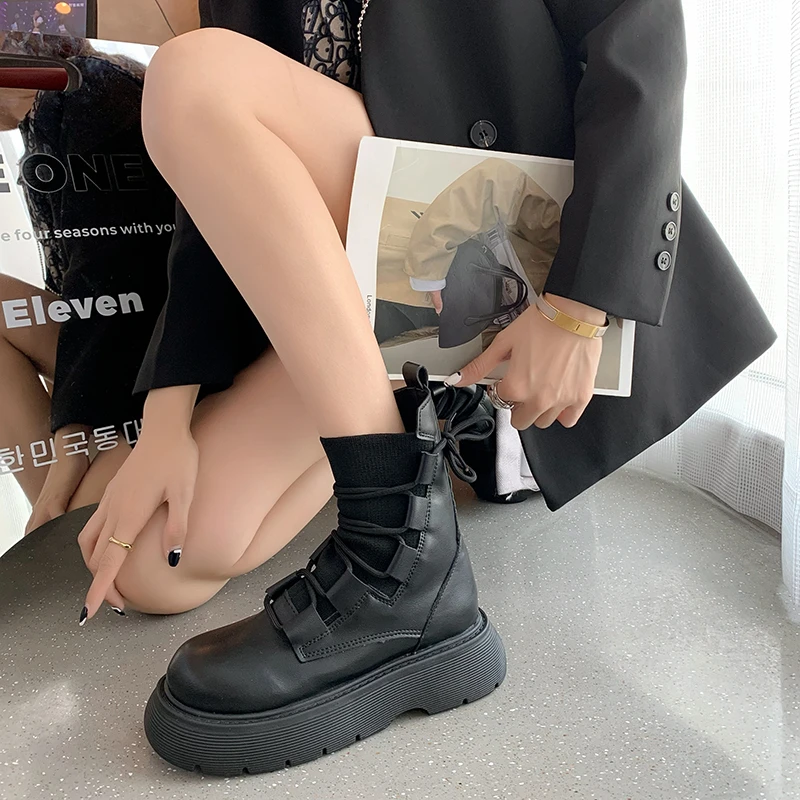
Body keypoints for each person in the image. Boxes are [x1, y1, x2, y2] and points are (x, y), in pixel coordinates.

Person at [79, 0, 775, 776]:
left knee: (194, 73)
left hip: (503, 238)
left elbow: (640, 37)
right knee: (149, 568)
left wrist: (580, 309)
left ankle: (393, 554)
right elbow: (214, 187)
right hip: (366, 291)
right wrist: (166, 416)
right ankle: (412, 439)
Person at [0, 32, 175, 531]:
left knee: (77, 511)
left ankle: (59, 522)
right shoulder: (66, 98)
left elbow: (108, 275)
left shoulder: (86, 92)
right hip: (134, 334)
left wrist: (72, 433)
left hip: (157, 344)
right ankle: (57, 527)